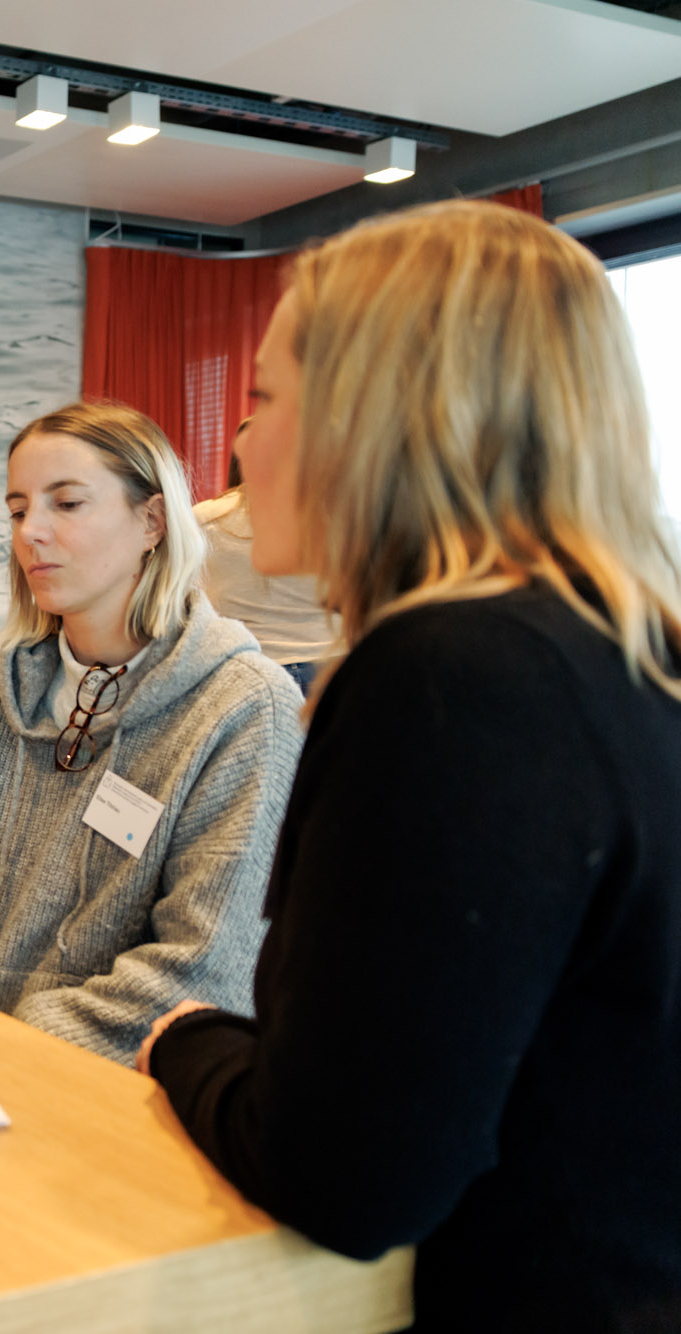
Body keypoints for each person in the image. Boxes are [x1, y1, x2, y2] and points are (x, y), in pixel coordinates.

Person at [142, 202, 681, 1329]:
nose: (237, 448)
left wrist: (182, 1041)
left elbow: (344, 1172)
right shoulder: (632, 649)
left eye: (262, 403)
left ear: (372, 417)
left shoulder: (447, 677)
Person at [0, 401, 304, 1065]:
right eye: (19, 510)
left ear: (152, 521)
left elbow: (199, 970)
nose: (31, 533)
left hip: (101, 1103)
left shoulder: (246, 708)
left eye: (67, 504)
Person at [193, 423, 336, 693]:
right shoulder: (339, 515)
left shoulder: (206, 518)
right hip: (334, 665)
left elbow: (188, 602)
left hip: (250, 668)